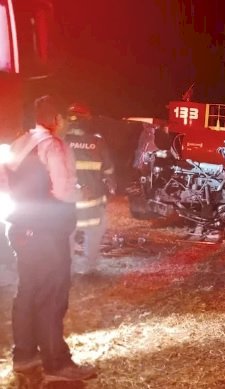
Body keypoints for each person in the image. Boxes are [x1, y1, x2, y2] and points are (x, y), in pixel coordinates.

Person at [4, 96, 97, 381]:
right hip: (47, 232)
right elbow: (62, 190)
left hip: (22, 228)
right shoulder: (53, 146)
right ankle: (57, 364)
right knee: (52, 297)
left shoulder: (20, 143)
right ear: (56, 119)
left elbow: (4, 182)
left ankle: (24, 356)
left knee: (28, 293)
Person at [65, 103, 115, 274]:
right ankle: (90, 267)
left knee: (67, 234)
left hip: (68, 203)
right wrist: (111, 183)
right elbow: (108, 170)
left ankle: (67, 268)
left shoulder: (61, 142)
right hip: (93, 202)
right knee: (94, 232)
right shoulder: (97, 141)